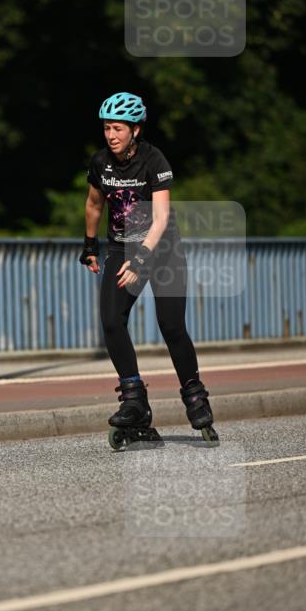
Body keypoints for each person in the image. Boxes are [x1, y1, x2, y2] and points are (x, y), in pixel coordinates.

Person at [79, 91, 218, 447]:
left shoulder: (154, 160)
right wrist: (90, 245)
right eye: (107, 128)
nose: (111, 135)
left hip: (163, 250)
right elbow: (94, 204)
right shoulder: (100, 163)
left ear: (135, 130)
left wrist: (141, 259)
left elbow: (161, 218)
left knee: (171, 325)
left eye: (118, 129)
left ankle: (195, 396)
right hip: (121, 247)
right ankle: (134, 401)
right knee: (112, 320)